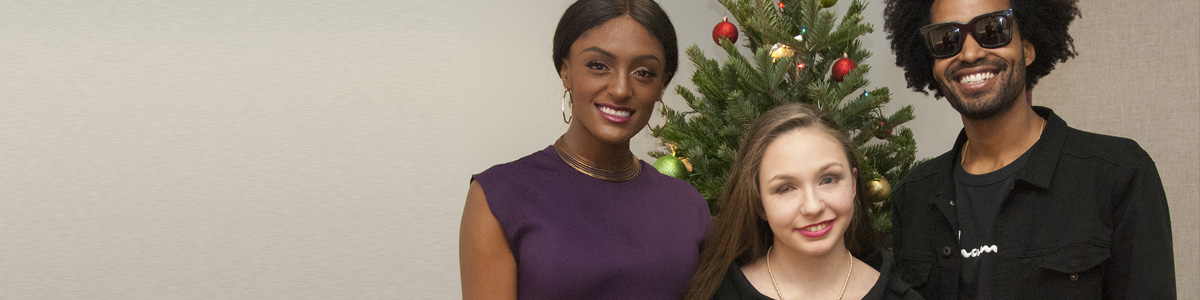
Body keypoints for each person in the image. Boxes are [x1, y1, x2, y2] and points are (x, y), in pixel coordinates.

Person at [882, 0, 1176, 299]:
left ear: (1028, 47)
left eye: (992, 29)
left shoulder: (1117, 173)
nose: (969, 53)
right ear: (932, 63)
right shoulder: (913, 195)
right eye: (947, 38)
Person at [458, 0, 711, 299]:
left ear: (661, 87)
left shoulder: (687, 206)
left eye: (644, 72)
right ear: (566, 72)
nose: (620, 89)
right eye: (598, 66)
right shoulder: (499, 197)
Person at [684, 104, 922, 300]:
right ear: (759, 204)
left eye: (828, 179)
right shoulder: (718, 295)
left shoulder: (899, 295)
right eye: (785, 188)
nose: (813, 207)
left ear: (852, 184)